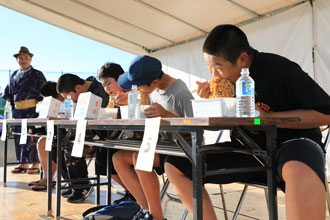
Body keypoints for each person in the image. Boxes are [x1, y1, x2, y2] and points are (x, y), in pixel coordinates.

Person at [164, 24, 330, 220]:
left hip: (293, 143)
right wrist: (212, 102)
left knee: (298, 171)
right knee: (176, 165)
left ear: (242, 59)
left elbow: (325, 114)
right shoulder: (227, 82)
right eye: (210, 69)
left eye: (218, 68)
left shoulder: (280, 70)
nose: (214, 76)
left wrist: (266, 118)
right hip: (248, 148)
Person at [113, 55, 194, 220]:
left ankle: (156, 216)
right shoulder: (155, 90)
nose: (137, 90)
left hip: (182, 148)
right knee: (118, 157)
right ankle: (145, 210)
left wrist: (166, 115)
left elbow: (195, 127)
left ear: (154, 82)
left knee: (141, 158)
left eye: (139, 86)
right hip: (160, 145)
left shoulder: (180, 92)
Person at [56, 73, 112, 203]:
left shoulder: (100, 92)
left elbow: (104, 116)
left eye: (69, 97)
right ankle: (76, 184)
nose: (70, 101)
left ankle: (82, 187)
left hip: (102, 135)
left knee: (72, 150)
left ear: (78, 88)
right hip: (84, 133)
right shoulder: (83, 91)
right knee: (59, 144)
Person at [2, 46, 46, 174]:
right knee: (19, 137)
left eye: (26, 58)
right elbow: (8, 92)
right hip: (17, 111)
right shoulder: (14, 74)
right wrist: (10, 101)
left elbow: (44, 92)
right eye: (21, 58)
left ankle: (36, 164)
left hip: (33, 110)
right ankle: (23, 163)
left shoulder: (37, 74)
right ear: (17, 60)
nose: (24, 60)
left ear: (30, 59)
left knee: (32, 136)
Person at [28, 81, 69, 191]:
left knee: (47, 142)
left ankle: (48, 178)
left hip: (70, 135)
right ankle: (47, 177)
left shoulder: (66, 103)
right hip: (59, 134)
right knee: (43, 141)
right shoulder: (52, 105)